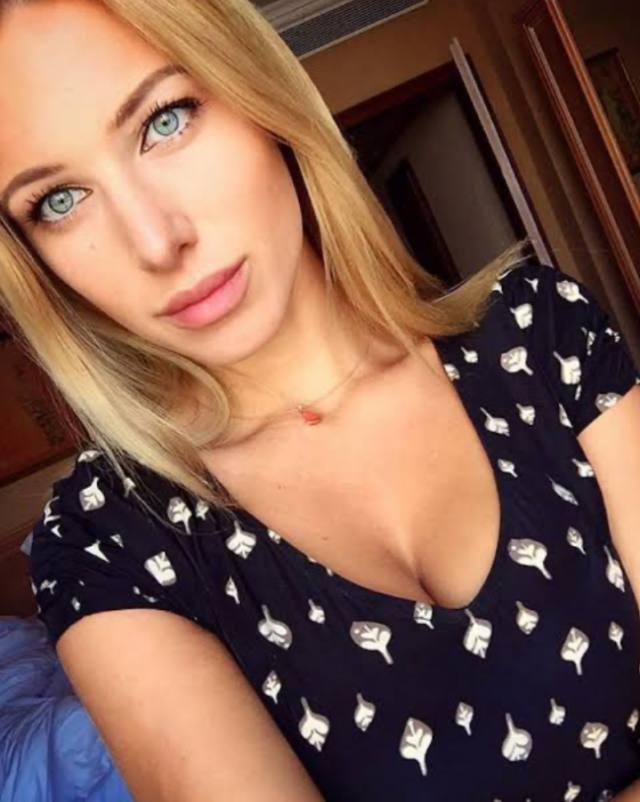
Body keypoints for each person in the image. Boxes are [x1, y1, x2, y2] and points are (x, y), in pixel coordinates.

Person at [1, 0, 639, 799]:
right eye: (59, 201)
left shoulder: (543, 335)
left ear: (258, 92)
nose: (157, 242)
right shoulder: (107, 541)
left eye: (165, 120)